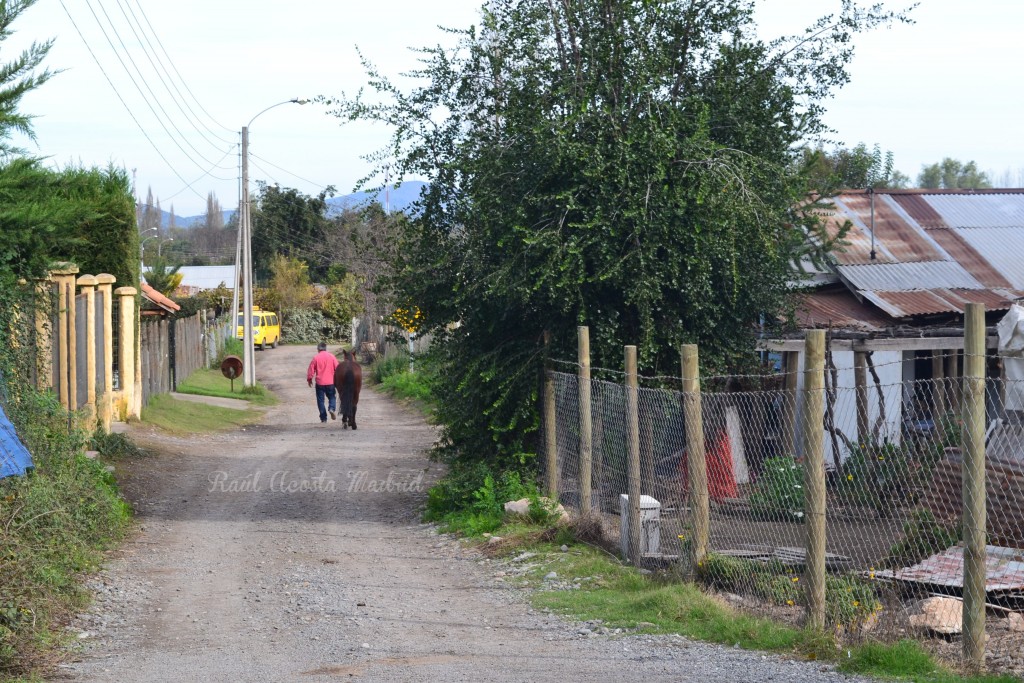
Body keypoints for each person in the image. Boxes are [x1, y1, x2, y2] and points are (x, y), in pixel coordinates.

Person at [306, 342, 339, 423]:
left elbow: (311, 370)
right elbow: (338, 368)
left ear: (318, 349)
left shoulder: (316, 357)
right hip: (331, 382)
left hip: (320, 383)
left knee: (320, 400)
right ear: (325, 348)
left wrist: (309, 379)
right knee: (332, 397)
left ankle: (323, 418)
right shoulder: (332, 356)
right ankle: (331, 408)